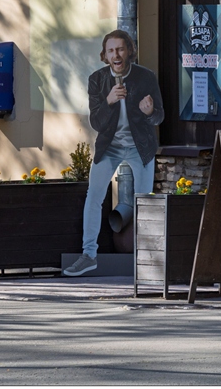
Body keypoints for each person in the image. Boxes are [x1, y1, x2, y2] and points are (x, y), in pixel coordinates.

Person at [64, 29, 164, 276]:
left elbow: (160, 115)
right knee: (94, 196)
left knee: (145, 201)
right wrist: (108, 101)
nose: (116, 54)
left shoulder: (145, 77)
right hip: (110, 147)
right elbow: (96, 124)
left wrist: (150, 112)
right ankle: (89, 255)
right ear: (105, 55)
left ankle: (148, 259)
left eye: (120, 49)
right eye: (111, 50)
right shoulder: (97, 80)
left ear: (129, 51)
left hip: (140, 147)